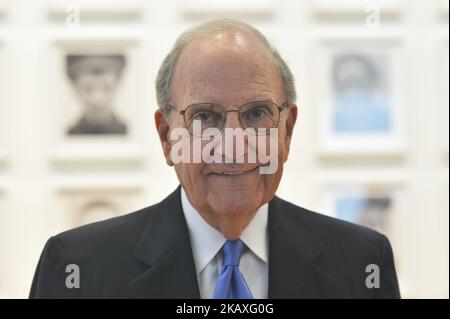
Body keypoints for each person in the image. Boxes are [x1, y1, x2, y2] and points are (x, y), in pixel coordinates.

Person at [30, 19, 400, 299]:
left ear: (286, 131)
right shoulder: (76, 268)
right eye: (205, 116)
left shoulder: (362, 264)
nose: (234, 143)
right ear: (167, 137)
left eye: (257, 114)